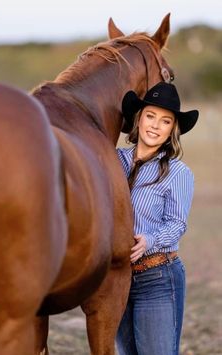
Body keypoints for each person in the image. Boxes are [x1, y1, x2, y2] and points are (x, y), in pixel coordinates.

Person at [116, 81, 199, 355]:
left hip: (158, 277)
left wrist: (149, 239)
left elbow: (177, 223)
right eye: (150, 116)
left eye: (165, 121)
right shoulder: (113, 160)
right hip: (116, 279)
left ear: (171, 130)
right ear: (138, 120)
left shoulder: (178, 173)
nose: (155, 125)